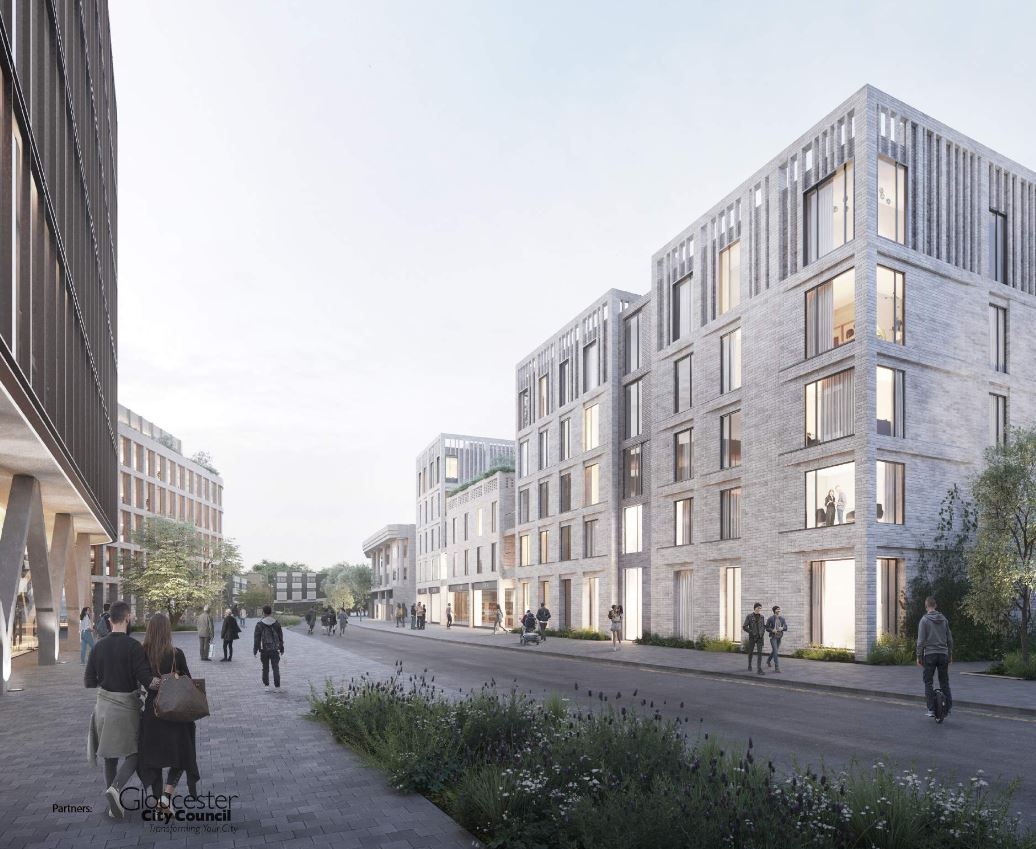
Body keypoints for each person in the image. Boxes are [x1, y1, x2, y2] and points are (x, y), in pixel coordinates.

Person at [85, 600, 154, 820]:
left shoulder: (99, 646)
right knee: (136, 752)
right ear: (127, 618)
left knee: (109, 755)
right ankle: (115, 788)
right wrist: (165, 683)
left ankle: (113, 805)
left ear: (110, 619)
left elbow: (89, 681)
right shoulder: (133, 647)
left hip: (103, 706)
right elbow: (147, 680)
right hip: (125, 707)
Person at [137, 613, 201, 812]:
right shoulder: (176, 654)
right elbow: (188, 682)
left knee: (153, 759)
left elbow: (143, 679)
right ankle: (166, 797)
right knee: (183, 755)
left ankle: (158, 802)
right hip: (175, 714)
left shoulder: (141, 653)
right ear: (167, 631)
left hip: (152, 713)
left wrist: (155, 681)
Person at [916, 596, 953, 718]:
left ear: (926, 606)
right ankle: (948, 708)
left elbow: (921, 641)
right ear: (935, 605)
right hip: (943, 654)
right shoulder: (944, 619)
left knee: (928, 682)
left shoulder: (924, 620)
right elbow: (949, 639)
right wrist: (950, 654)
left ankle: (931, 709)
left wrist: (919, 656)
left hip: (930, 655)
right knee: (944, 682)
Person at [254, 605, 285, 690]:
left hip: (264, 649)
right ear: (271, 612)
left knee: (265, 668)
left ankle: (266, 686)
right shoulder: (276, 623)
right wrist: (282, 648)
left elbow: (257, 638)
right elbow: (280, 637)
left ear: (263, 612)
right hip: (274, 649)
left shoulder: (259, 624)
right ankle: (277, 687)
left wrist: (255, 650)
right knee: (275, 667)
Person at [742, 602, 766, 675]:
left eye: (760, 608)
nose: (759, 609)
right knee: (751, 652)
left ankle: (759, 669)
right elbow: (744, 627)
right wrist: (751, 632)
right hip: (752, 637)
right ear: (755, 608)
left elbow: (763, 626)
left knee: (760, 653)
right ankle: (749, 665)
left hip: (760, 638)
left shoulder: (762, 617)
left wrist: (762, 633)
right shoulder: (749, 616)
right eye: (759, 608)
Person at [765, 605, 788, 672]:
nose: (779, 610)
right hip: (773, 637)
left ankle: (768, 661)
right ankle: (777, 667)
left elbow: (786, 627)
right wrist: (772, 630)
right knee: (775, 651)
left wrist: (783, 628)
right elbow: (766, 628)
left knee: (774, 651)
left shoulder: (782, 619)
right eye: (777, 609)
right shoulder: (770, 618)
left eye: (779, 609)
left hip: (779, 637)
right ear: (774, 610)